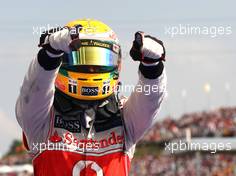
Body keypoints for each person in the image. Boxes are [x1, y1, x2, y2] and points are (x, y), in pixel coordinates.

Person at [15, 19, 167, 176]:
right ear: (62, 60)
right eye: (82, 61)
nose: (92, 69)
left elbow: (150, 103)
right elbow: (32, 93)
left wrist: (153, 68)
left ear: (117, 63)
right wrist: (49, 55)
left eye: (100, 61)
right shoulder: (44, 118)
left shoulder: (124, 116)